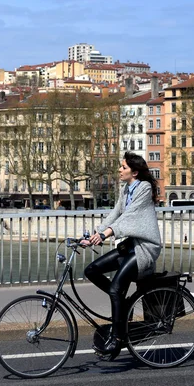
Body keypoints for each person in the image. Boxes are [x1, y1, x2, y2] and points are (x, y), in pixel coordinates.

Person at [82, 151, 162, 359]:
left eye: (123, 167)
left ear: (134, 172)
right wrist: (95, 234)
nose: (119, 170)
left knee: (116, 289)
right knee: (92, 270)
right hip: (130, 246)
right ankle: (123, 304)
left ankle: (117, 338)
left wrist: (107, 234)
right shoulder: (126, 188)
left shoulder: (143, 188)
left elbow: (130, 216)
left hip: (145, 248)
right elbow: (115, 213)